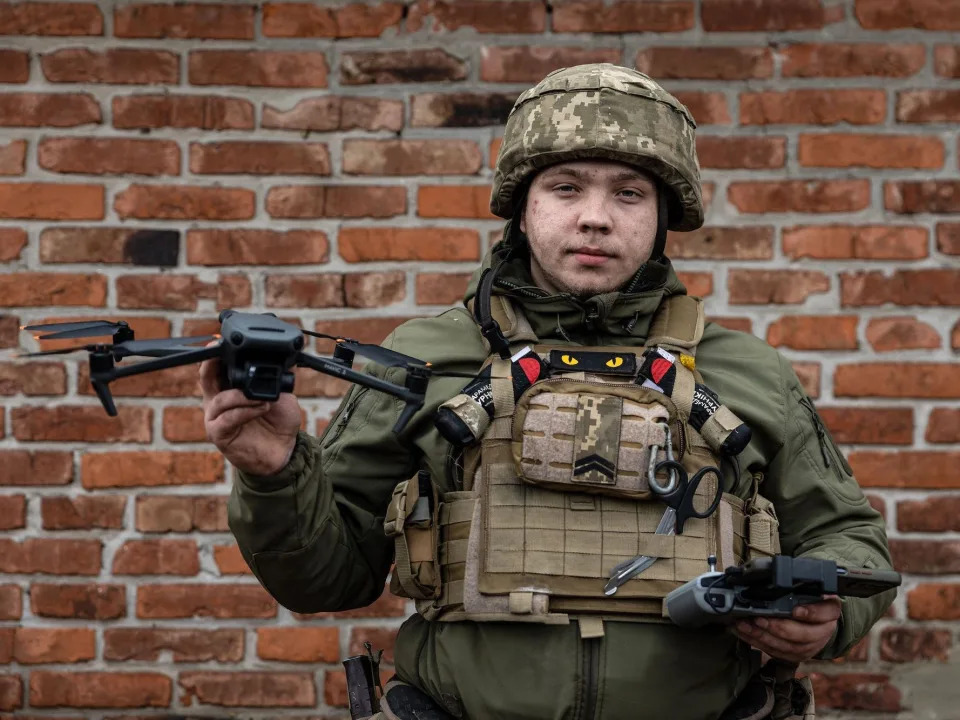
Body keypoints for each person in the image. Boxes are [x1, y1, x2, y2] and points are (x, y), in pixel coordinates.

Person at [200, 64, 894, 720]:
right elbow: (329, 578)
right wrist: (274, 472)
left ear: (661, 216)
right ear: (523, 205)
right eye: (566, 187)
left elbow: (849, 539)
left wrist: (829, 618)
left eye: (628, 192)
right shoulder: (423, 357)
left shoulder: (748, 372)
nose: (596, 217)